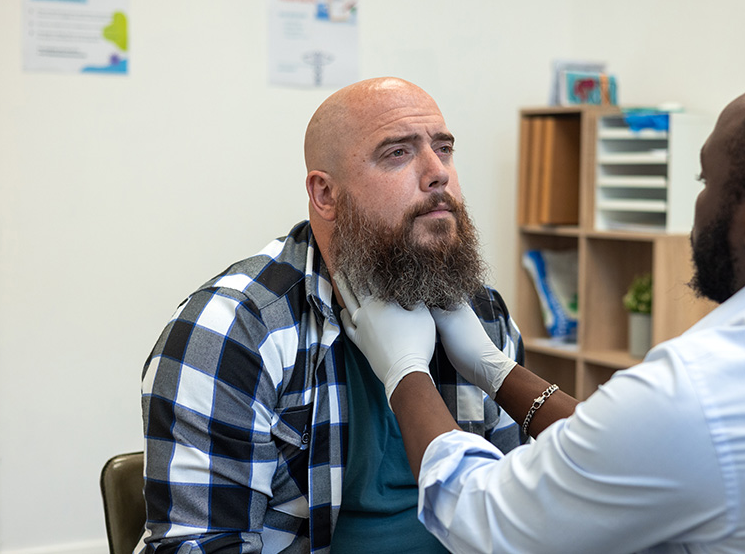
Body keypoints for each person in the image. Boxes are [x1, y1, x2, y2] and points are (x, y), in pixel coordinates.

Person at [340, 68, 745, 553]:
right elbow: (616, 453)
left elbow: (484, 521)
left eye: (705, 184)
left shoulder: (699, 390)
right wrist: (498, 371)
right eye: (399, 152)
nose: (437, 172)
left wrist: (407, 376)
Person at [139, 77, 525, 553]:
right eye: (398, 153)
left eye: (443, 149)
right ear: (325, 195)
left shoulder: (482, 313)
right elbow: (202, 546)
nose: (437, 173)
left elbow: (528, 513)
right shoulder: (232, 332)